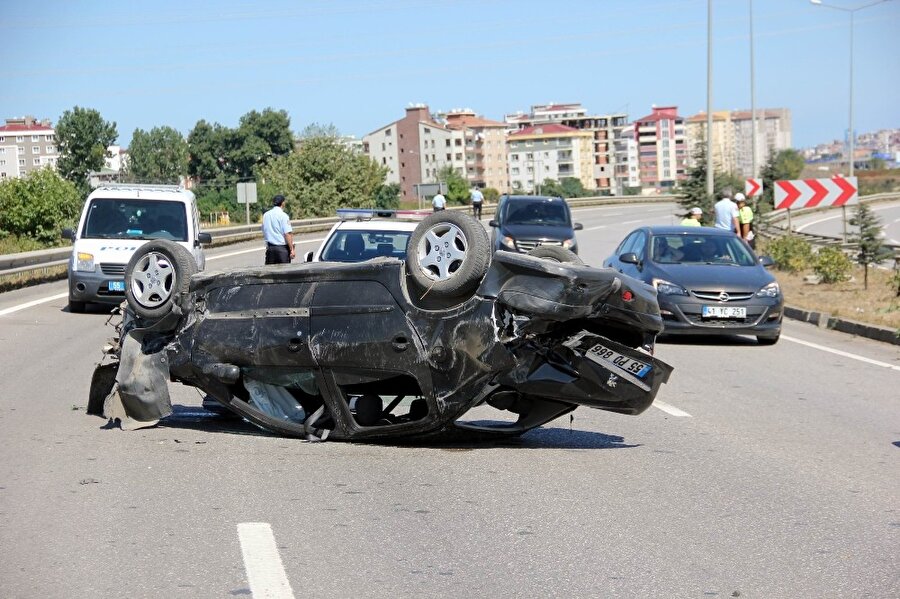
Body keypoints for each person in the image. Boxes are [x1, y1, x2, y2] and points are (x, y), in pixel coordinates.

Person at [262, 194, 295, 264]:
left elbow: (264, 230)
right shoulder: (283, 216)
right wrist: (291, 249)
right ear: (282, 203)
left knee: (270, 273)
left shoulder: (266, 215)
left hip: (270, 249)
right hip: (282, 250)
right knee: (284, 273)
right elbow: (287, 234)